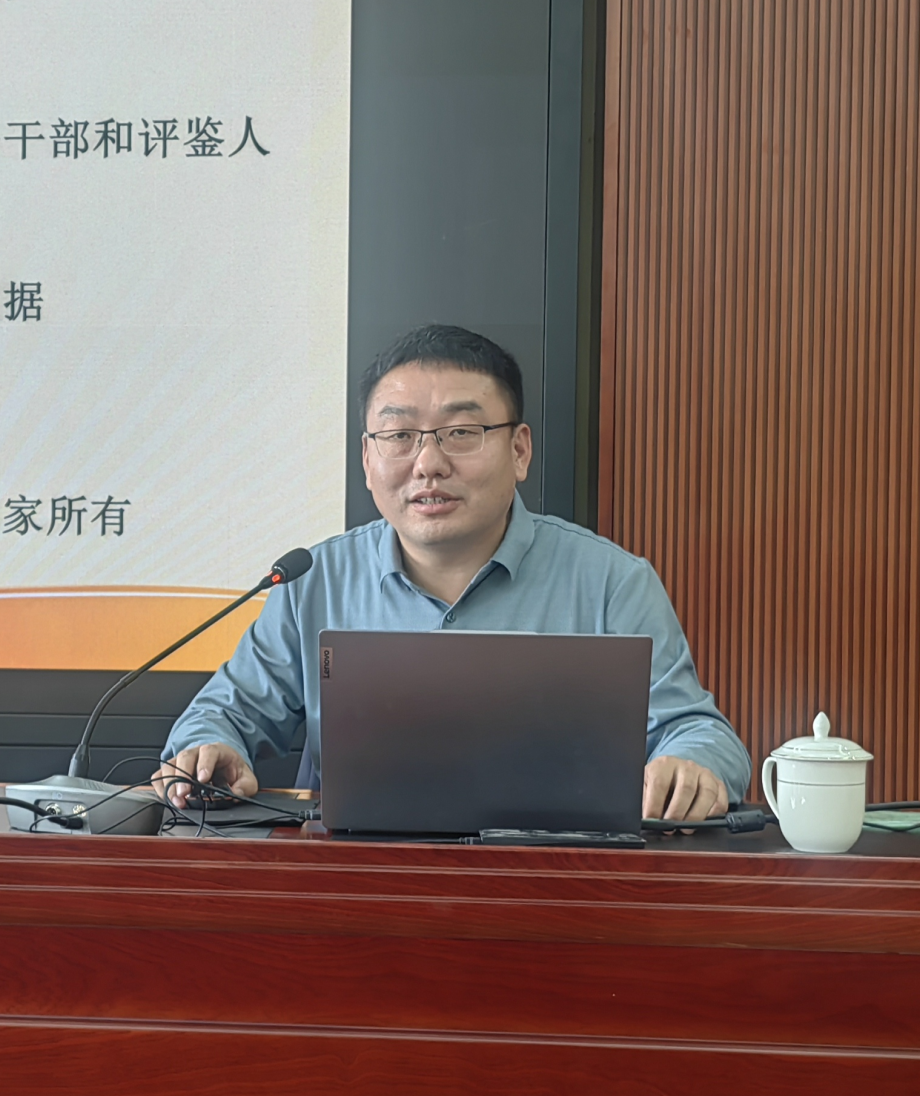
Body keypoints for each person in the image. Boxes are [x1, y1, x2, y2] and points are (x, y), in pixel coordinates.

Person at [158, 324, 749, 821]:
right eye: (399, 436)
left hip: (555, 882)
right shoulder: (313, 581)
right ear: (367, 458)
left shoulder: (610, 582)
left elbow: (703, 736)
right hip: (351, 885)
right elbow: (221, 716)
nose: (428, 463)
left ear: (520, 450)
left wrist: (692, 766)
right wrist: (209, 750)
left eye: (462, 433)